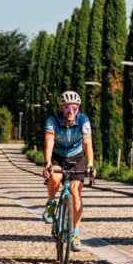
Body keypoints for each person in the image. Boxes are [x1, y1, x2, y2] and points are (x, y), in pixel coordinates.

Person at [41, 90, 95, 252]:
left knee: (76, 193)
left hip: (76, 158)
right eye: (66, 108)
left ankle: (75, 234)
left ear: (78, 108)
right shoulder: (52, 121)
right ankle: (51, 203)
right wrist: (48, 162)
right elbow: (49, 140)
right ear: (61, 108)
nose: (70, 111)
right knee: (55, 179)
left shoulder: (84, 120)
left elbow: (87, 143)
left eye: (74, 107)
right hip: (57, 156)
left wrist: (90, 164)